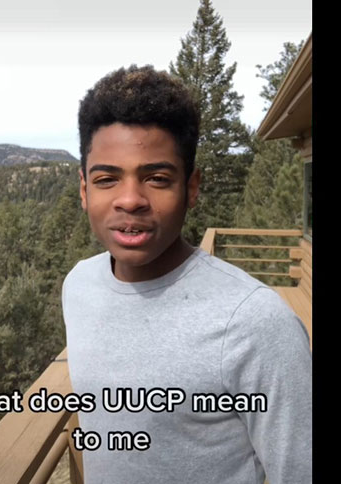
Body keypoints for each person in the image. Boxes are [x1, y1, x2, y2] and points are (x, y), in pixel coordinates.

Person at [61, 65, 312, 484]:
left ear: (191, 187)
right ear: (84, 190)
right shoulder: (78, 286)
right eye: (107, 179)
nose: (130, 200)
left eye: (157, 178)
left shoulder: (256, 325)